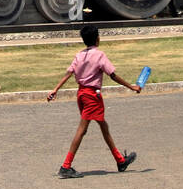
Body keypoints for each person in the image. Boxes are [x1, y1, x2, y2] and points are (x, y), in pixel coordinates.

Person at [47, 24, 140, 177]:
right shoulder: (99, 55)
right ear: (97, 38)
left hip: (82, 94)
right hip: (92, 96)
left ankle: (120, 160)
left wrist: (55, 89)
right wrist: (131, 87)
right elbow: (113, 75)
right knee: (82, 130)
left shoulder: (79, 55)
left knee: (104, 126)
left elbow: (68, 73)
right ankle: (66, 166)